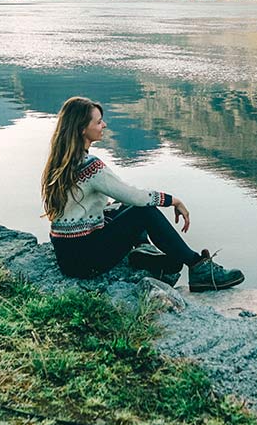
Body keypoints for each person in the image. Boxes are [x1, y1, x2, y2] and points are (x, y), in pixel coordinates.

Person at [41, 96, 244, 291]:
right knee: (142, 211)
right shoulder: (90, 167)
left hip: (68, 254)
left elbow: (105, 202)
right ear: (82, 129)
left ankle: (143, 252)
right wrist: (173, 201)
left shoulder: (61, 162)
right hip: (84, 261)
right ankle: (198, 268)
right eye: (99, 122)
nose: (104, 125)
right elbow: (135, 197)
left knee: (124, 208)